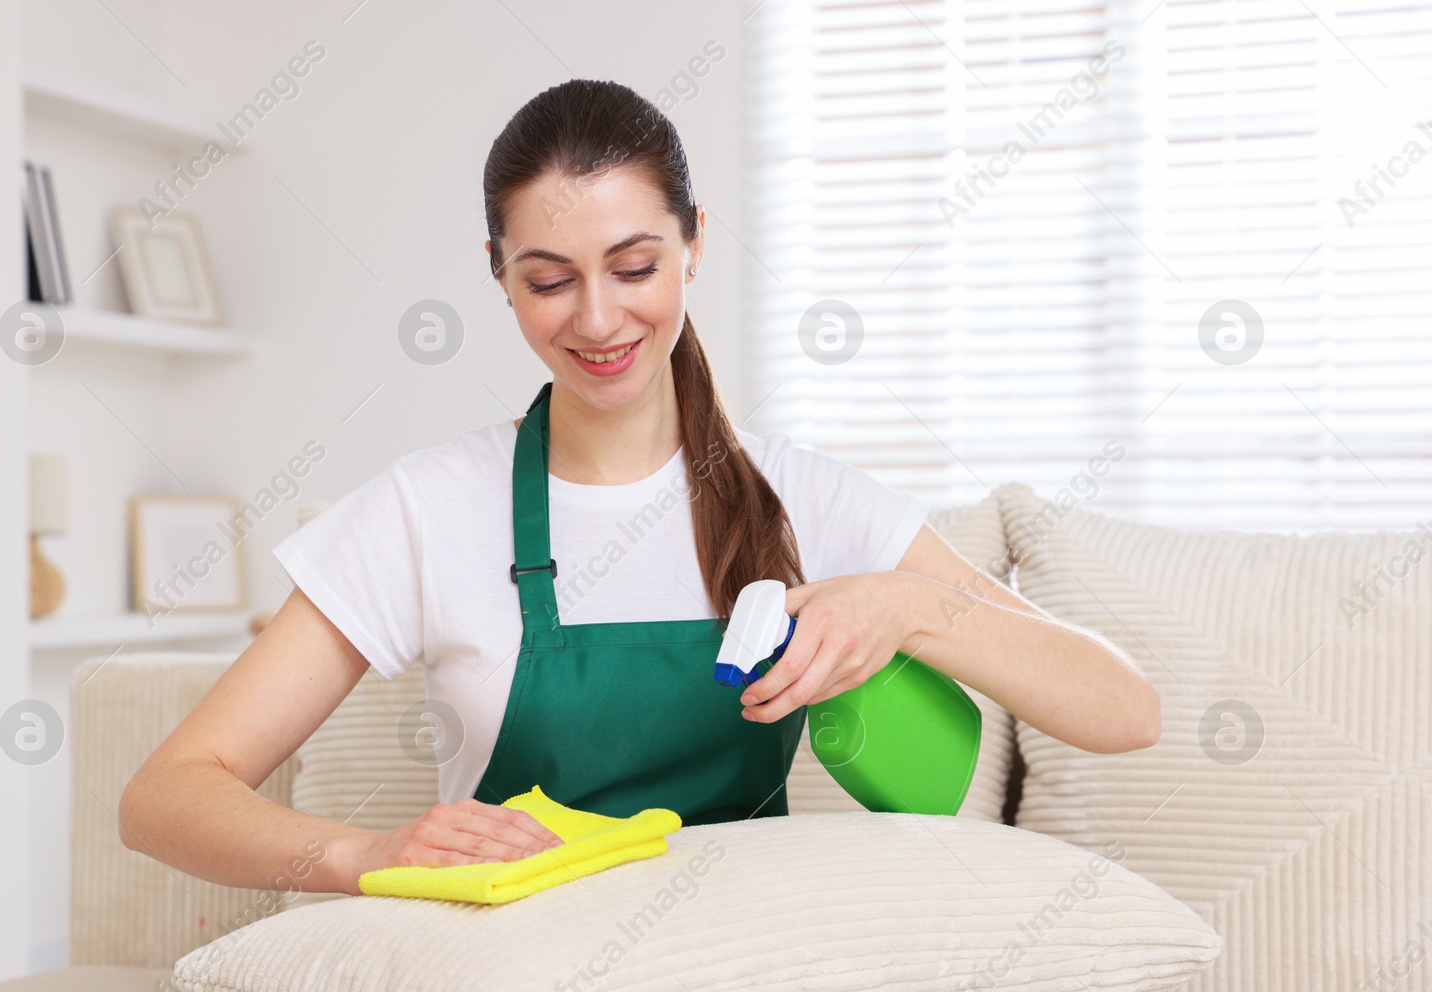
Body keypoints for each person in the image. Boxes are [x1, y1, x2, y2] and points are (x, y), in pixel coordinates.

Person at [119, 77, 1158, 899]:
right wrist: (363, 853)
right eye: (549, 279)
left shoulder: (805, 497)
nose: (599, 319)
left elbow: (1122, 708)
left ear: (694, 244)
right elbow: (165, 795)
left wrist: (909, 605)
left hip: (733, 982)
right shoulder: (425, 509)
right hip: (513, 990)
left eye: (634, 265)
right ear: (498, 272)